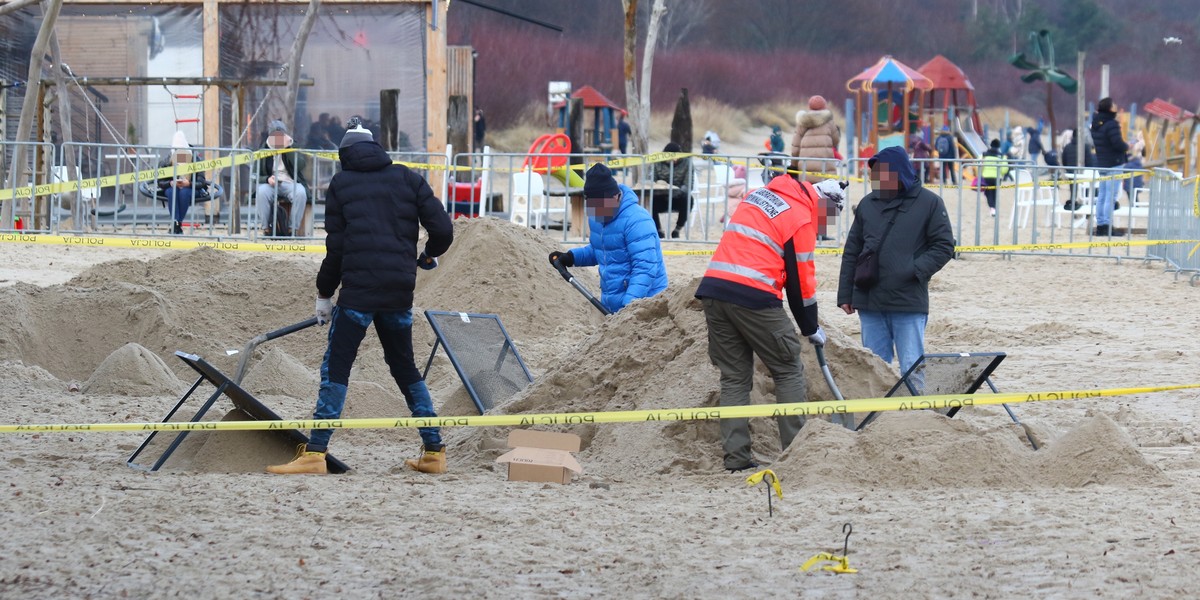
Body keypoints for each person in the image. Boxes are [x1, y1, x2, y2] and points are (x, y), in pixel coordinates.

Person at [267, 123, 455, 475]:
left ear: (344, 157)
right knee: (405, 368)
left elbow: (335, 248)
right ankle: (434, 451)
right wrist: (428, 255)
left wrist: (324, 293)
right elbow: (443, 229)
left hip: (357, 295)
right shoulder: (408, 178)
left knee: (336, 368)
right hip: (399, 292)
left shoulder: (342, 184)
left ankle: (315, 453)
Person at [694, 165, 846, 472]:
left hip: (714, 290)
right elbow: (801, 282)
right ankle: (797, 454)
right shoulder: (801, 217)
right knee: (788, 366)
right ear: (823, 206)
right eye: (828, 219)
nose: (824, 227)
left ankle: (735, 459)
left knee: (734, 376)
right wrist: (810, 327)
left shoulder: (759, 194)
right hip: (754, 296)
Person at [836, 147, 955, 386]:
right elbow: (852, 251)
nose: (875, 179)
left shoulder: (930, 203)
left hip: (907, 299)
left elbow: (944, 246)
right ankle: (878, 416)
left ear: (899, 173)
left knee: (912, 365)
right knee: (875, 366)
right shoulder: (867, 205)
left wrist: (913, 269)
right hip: (869, 299)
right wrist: (845, 294)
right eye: (873, 174)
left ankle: (915, 414)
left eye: (880, 173)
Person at [547, 163, 667, 313]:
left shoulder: (637, 220)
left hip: (645, 304)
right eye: (593, 205)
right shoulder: (597, 218)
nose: (597, 211)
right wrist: (571, 258)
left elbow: (645, 268)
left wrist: (630, 305)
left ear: (616, 196)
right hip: (613, 304)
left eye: (602, 205)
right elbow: (600, 250)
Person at [791, 95, 841, 240]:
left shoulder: (802, 122)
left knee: (807, 198)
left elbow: (795, 146)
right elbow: (836, 140)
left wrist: (793, 166)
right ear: (825, 106)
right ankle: (821, 233)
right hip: (825, 166)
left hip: (806, 166)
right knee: (826, 197)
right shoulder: (829, 121)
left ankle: (806, 231)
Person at [255, 120, 309, 237]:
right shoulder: (263, 148)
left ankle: (292, 228)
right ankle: (266, 228)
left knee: (300, 193)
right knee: (261, 192)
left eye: (280, 136)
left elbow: (300, 165)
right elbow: (254, 175)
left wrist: (288, 148)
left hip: (290, 182)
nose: (278, 139)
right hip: (271, 183)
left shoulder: (292, 145)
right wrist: (267, 179)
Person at [1090, 97, 1130, 237]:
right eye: (1114, 105)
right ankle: (1107, 226)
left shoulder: (1095, 123)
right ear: (1110, 108)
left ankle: (1101, 225)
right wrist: (1128, 146)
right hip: (1114, 162)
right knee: (1110, 196)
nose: (1116, 107)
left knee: (1102, 195)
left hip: (1102, 162)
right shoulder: (1111, 124)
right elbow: (1117, 144)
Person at [157, 131, 208, 235]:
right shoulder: (166, 162)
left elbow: (201, 181)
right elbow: (160, 182)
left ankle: (176, 224)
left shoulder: (196, 159)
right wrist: (170, 183)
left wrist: (189, 183)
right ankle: (176, 223)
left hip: (191, 188)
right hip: (172, 187)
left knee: (184, 193)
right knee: (172, 192)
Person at [651, 142, 693, 238]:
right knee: (649, 201)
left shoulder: (687, 163)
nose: (673, 159)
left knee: (689, 199)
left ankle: (677, 229)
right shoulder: (656, 162)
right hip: (660, 196)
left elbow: (688, 184)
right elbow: (651, 181)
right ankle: (658, 230)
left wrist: (676, 192)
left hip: (678, 196)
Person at [980, 139, 1009, 217]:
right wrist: (1001, 174)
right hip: (997, 177)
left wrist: (981, 173)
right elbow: (1004, 168)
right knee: (995, 193)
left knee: (988, 193)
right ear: (999, 146)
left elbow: (979, 164)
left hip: (986, 177)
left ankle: (992, 208)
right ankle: (994, 208)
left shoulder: (984, 154)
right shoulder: (1002, 156)